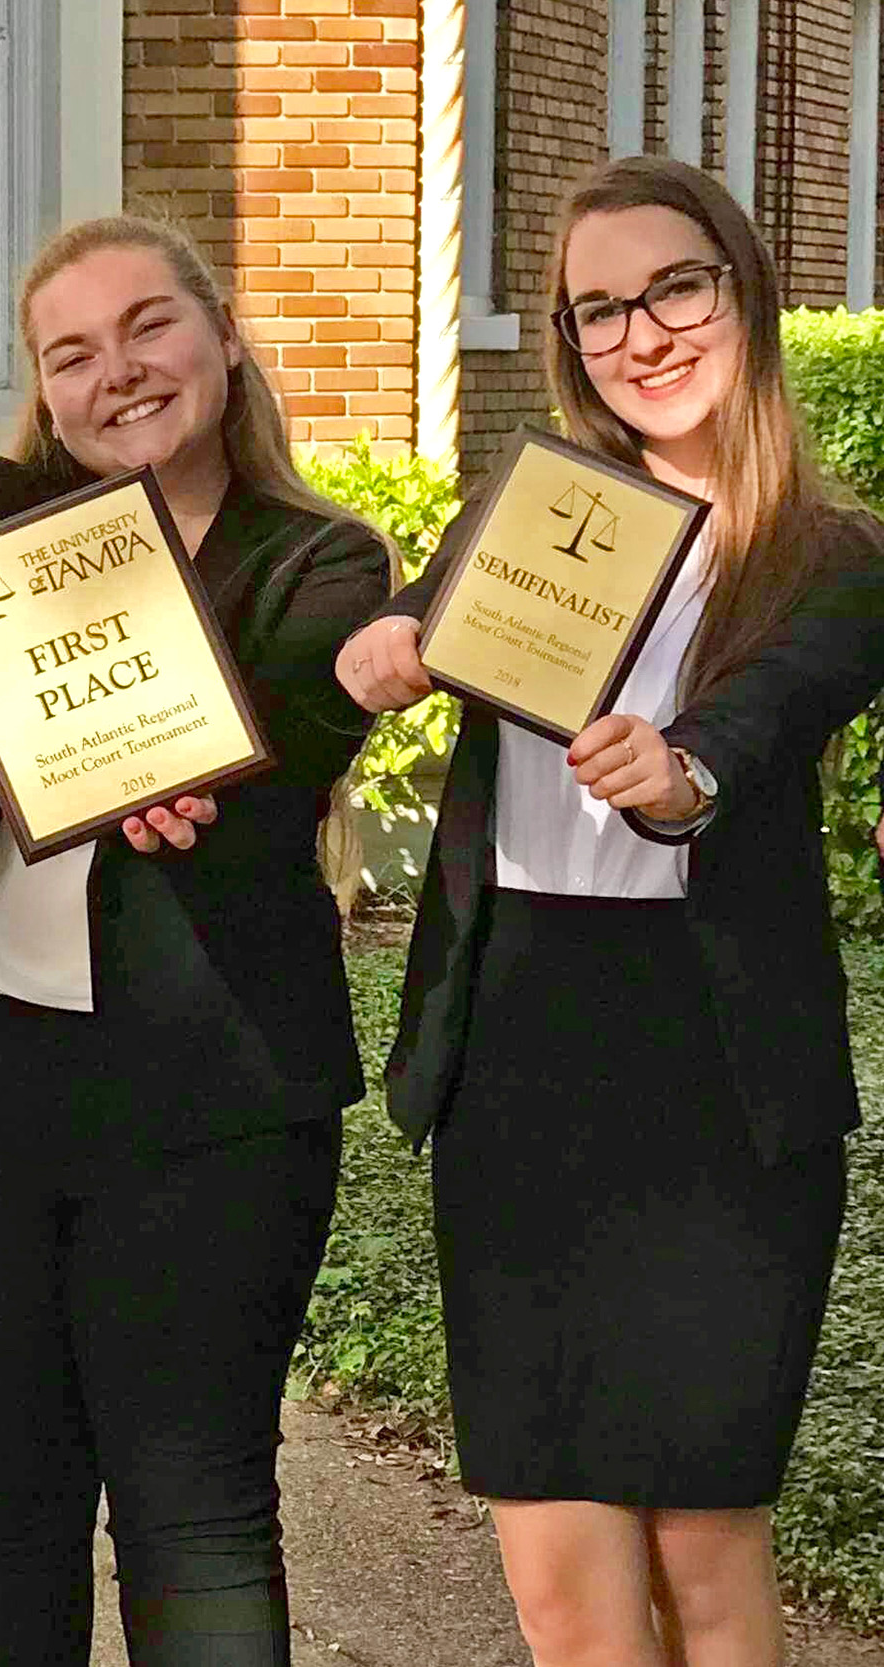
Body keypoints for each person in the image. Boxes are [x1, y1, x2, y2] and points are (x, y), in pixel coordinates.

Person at [336, 155, 884, 1667]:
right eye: (594, 311)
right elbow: (412, 634)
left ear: (743, 295)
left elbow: (761, 721)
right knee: (561, 1589)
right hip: (519, 1062)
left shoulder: (828, 559)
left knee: (705, 1550)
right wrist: (377, 654)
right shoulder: (533, 517)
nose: (637, 335)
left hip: (713, 1082)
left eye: (672, 289)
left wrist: (673, 776)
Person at [0, 214, 393, 1667]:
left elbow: (287, 745)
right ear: (43, 387)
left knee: (196, 1507)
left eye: (148, 326)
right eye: (71, 353)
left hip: (212, 1102)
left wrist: (272, 737)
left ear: (221, 337)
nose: (120, 373)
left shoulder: (320, 560)